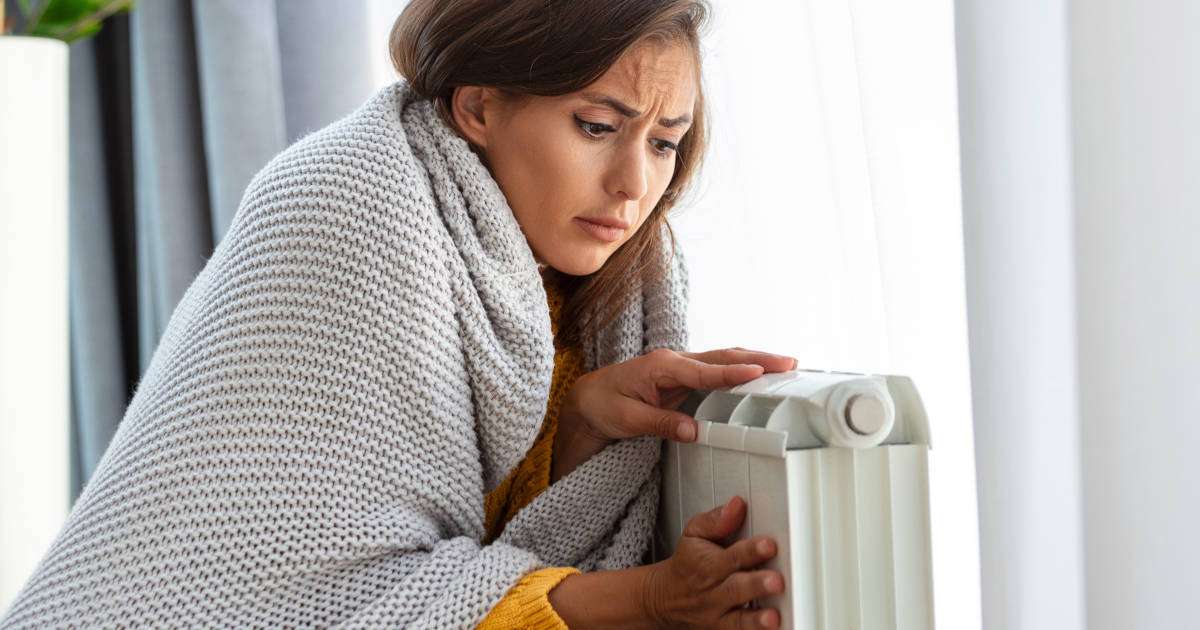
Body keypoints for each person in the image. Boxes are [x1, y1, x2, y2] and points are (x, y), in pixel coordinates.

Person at [1, 1, 793, 628]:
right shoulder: (355, 203)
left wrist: (580, 424)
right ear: (478, 107)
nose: (633, 183)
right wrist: (651, 600)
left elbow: (451, 540)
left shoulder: (605, 277)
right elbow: (338, 589)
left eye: (664, 143)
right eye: (597, 126)